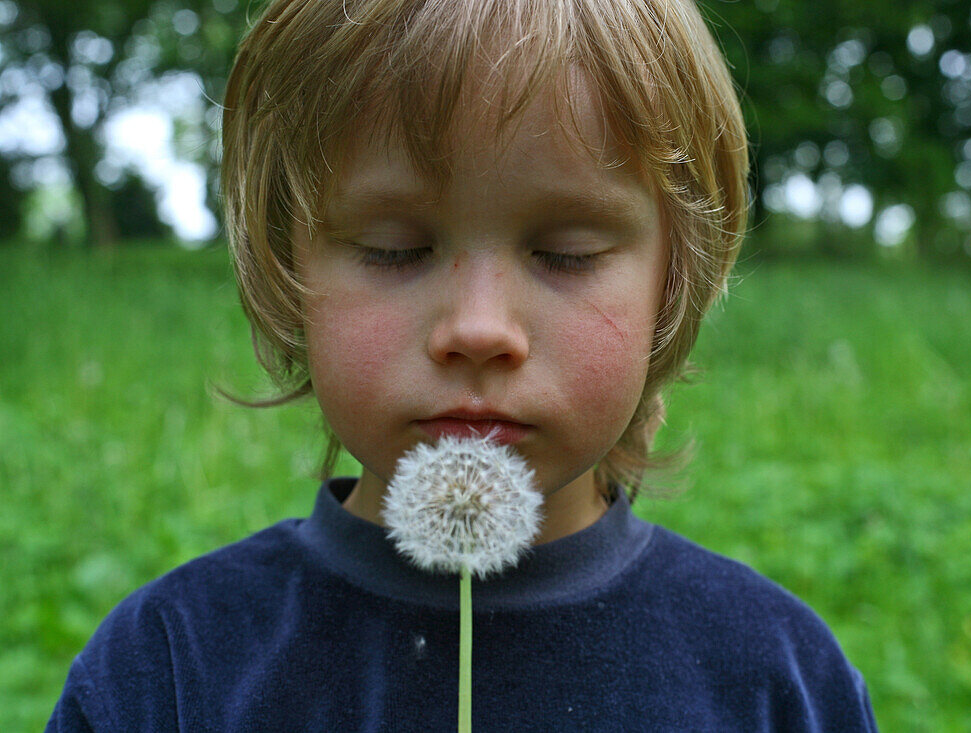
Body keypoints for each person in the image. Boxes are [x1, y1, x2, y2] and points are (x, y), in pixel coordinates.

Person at [48, 0, 877, 729]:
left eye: (566, 252)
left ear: (674, 282)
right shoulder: (167, 671)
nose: (478, 329)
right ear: (283, 270)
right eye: (391, 249)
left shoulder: (778, 679)